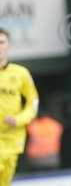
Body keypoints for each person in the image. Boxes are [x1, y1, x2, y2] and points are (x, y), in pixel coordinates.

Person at [0, 28, 39, 185]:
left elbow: (33, 102)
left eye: (1, 42)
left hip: (13, 139)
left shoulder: (21, 73)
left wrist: (19, 119)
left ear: (8, 45)